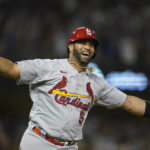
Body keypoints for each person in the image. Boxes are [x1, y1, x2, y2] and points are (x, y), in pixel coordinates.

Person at [0, 27, 149, 150]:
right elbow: (12, 69)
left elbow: (129, 102)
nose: (88, 47)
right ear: (70, 46)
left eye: (91, 45)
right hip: (38, 141)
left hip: (69, 146)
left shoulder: (97, 84)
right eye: (82, 42)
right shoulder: (48, 67)